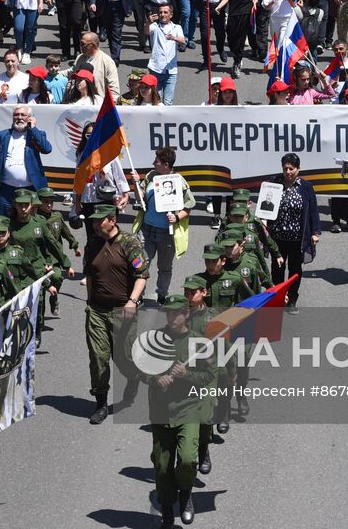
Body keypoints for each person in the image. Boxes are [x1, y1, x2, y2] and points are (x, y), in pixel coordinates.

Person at [144, 295, 214, 529]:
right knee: (163, 468)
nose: (173, 318)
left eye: (177, 313)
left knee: (186, 460)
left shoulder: (199, 343)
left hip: (188, 409)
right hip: (161, 412)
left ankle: (185, 497)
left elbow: (208, 376)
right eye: (169, 314)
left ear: (186, 314)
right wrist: (156, 379)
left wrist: (187, 376)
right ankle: (166, 509)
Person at [83, 205, 149, 423]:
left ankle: (133, 378)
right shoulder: (92, 244)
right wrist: (90, 300)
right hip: (97, 310)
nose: (94, 224)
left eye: (98, 220)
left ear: (112, 220)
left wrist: (133, 301)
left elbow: (142, 275)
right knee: (98, 357)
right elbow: (90, 274)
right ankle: (100, 403)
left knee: (125, 359)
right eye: (93, 221)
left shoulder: (129, 243)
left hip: (123, 311)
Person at [137, 146, 196, 304]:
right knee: (141, 265)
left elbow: (189, 205)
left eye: (156, 161)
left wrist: (177, 218)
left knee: (164, 267)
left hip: (166, 233)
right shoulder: (151, 175)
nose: (153, 163)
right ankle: (137, 296)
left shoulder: (179, 181)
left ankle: (162, 295)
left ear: (166, 164)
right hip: (146, 230)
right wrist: (136, 184)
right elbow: (140, 197)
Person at [265, 153, 320, 312]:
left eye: (291, 168)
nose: (288, 172)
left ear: (298, 169)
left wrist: (315, 232)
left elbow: (313, 211)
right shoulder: (274, 183)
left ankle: (292, 298)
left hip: (297, 238)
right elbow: (264, 206)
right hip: (278, 237)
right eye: (285, 168)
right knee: (277, 269)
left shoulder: (306, 187)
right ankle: (278, 297)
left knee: (295, 270)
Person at [0, 104, 51, 215]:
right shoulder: (1, 136)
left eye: (23, 115)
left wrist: (33, 128)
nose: (19, 117)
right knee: (4, 223)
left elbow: (46, 149)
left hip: (30, 188)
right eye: (16, 115)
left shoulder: (36, 134)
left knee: (30, 223)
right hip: (6, 190)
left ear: (30, 117)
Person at [146, 3, 185, 104]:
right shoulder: (154, 26)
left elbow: (182, 40)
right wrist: (147, 22)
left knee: (168, 101)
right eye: (160, 12)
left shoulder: (177, 27)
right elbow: (146, 32)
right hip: (156, 69)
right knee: (157, 101)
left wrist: (173, 38)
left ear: (171, 15)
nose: (163, 14)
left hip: (171, 70)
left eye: (165, 12)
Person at [74, 31, 120, 99]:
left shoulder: (107, 61)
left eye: (83, 44)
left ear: (93, 45)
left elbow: (114, 89)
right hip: (80, 102)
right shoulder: (80, 58)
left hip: (98, 105)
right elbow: (71, 72)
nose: (80, 46)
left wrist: (111, 105)